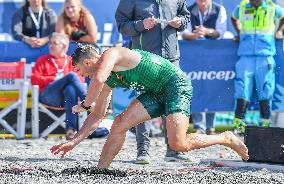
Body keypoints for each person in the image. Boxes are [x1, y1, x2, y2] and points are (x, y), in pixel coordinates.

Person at [50, 45, 249, 168]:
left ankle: (225, 138)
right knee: (119, 123)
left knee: (178, 144)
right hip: (156, 92)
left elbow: (99, 78)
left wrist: (85, 104)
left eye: (80, 71)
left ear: (88, 62)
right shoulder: (105, 81)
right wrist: (74, 141)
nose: (82, 76)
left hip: (175, 85)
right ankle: (101, 169)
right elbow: (97, 116)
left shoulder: (111, 54)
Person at [115, 0, 191, 164]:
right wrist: (141, 24)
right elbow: (122, 25)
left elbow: (186, 17)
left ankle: (173, 150)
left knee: (173, 104)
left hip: (171, 60)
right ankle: (143, 150)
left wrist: (180, 22)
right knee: (143, 104)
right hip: (144, 61)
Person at [231, 0, 284, 130]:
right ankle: (239, 125)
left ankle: (265, 123)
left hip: (265, 55)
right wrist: (238, 33)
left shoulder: (272, 7)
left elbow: (283, 16)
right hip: (245, 55)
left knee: (266, 88)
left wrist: (279, 31)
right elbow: (233, 18)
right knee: (242, 88)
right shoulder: (242, 7)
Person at [182, 0, 227, 135]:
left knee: (212, 88)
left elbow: (221, 32)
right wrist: (195, 35)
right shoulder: (189, 10)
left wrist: (206, 31)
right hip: (194, 55)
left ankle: (210, 126)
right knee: (194, 87)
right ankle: (198, 126)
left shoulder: (220, 9)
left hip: (213, 55)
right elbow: (184, 33)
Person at [31, 32, 87, 140]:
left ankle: (70, 130)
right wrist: (53, 79)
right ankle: (88, 99)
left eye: (54, 43)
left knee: (70, 89)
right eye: (50, 43)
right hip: (48, 96)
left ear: (64, 46)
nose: (51, 46)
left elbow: (81, 79)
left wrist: (63, 81)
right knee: (71, 76)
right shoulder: (42, 60)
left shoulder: (71, 61)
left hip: (68, 98)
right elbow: (34, 79)